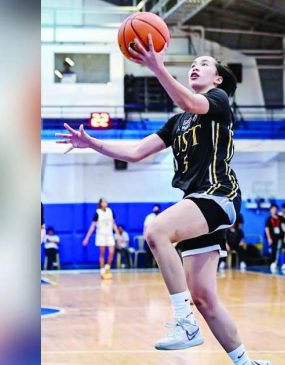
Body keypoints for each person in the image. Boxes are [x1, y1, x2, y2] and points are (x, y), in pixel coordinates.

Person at [56, 34, 270, 365]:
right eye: (194, 64)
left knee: (156, 230)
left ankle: (185, 325)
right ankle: (246, 362)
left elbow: (191, 103)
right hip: (197, 201)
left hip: (217, 194)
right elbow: (137, 151)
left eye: (203, 64)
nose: (196, 67)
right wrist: (94, 144)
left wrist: (157, 67)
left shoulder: (219, 100)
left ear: (217, 78)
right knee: (205, 299)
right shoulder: (177, 121)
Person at [83, 198, 118, 279]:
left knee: (111, 252)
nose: (106, 203)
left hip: (109, 234)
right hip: (101, 235)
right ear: (100, 203)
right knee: (102, 253)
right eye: (104, 202)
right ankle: (102, 269)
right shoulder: (97, 213)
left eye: (106, 201)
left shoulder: (110, 211)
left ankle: (108, 266)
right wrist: (87, 238)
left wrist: (118, 234)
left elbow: (114, 224)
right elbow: (92, 226)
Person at [265, 204, 284, 272]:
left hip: (281, 237)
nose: (274, 210)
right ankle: (272, 263)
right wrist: (269, 238)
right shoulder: (269, 219)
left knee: (280, 251)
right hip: (273, 238)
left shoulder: (281, 218)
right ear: (271, 210)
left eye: (276, 209)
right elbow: (267, 229)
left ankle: (281, 264)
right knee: (273, 251)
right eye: (273, 209)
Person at [279, 204, 285, 272]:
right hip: (281, 237)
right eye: (283, 208)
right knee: (282, 250)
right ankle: (282, 263)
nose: (284, 210)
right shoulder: (279, 216)